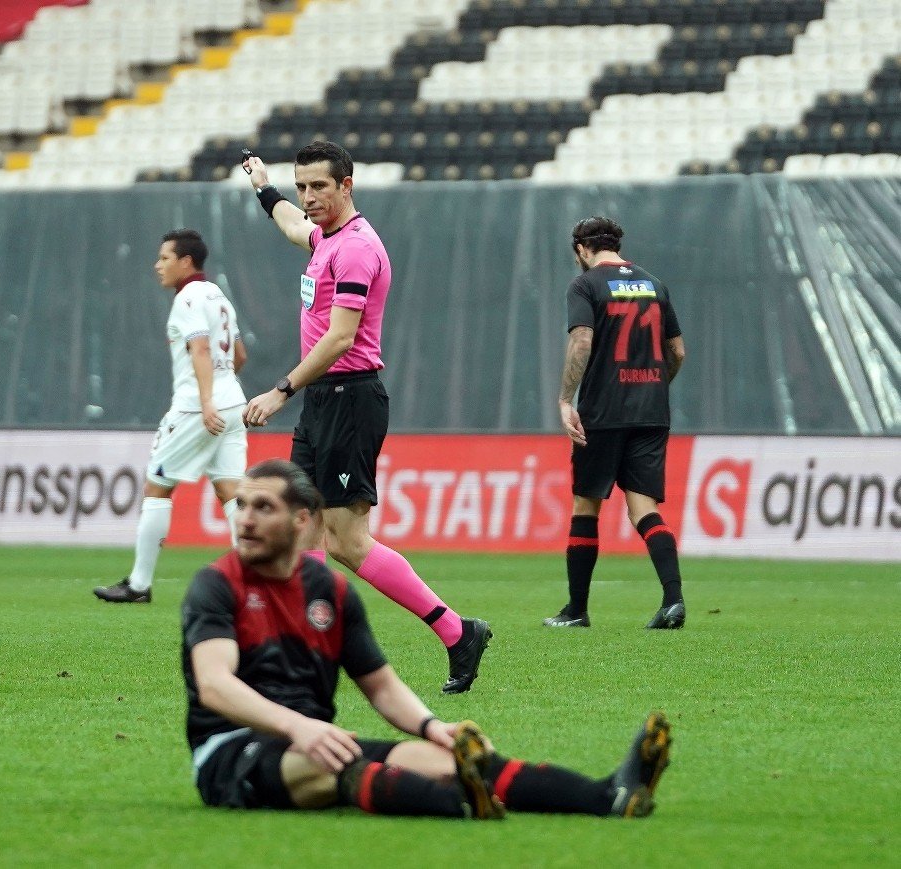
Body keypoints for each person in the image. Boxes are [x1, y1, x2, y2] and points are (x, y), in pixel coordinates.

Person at [183, 458, 674, 819]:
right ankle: (461, 807)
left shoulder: (330, 593)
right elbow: (214, 685)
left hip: (321, 742)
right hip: (231, 752)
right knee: (334, 768)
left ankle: (610, 794)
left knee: (452, 761)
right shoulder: (217, 585)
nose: (244, 519)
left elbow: (379, 686)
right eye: (241, 505)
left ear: (301, 521)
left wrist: (431, 726)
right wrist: (299, 728)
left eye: (262, 507)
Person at [239, 141, 490, 693]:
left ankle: (457, 631)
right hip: (325, 400)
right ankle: (292, 656)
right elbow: (289, 224)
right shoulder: (324, 235)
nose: (308, 199)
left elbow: (341, 337)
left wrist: (281, 391)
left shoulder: (356, 249)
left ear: (347, 185)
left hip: (349, 399)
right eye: (302, 187)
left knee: (348, 543)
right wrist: (263, 186)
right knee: (303, 533)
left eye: (319, 187)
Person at [545, 217, 687, 630]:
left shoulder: (585, 285)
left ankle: (576, 609)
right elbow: (676, 351)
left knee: (586, 504)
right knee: (644, 507)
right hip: (651, 411)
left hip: (604, 412)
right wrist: (656, 385)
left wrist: (565, 398)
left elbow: (582, 340)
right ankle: (673, 600)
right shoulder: (654, 284)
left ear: (580, 249)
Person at [95, 229, 248, 603]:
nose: (157, 265)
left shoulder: (188, 299)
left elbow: (198, 349)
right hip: (234, 403)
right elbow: (239, 356)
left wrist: (207, 401)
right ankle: (256, 579)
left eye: (164, 258)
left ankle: (139, 585)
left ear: (186, 262)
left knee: (157, 486)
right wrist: (222, 396)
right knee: (232, 493)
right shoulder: (219, 297)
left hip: (199, 407)